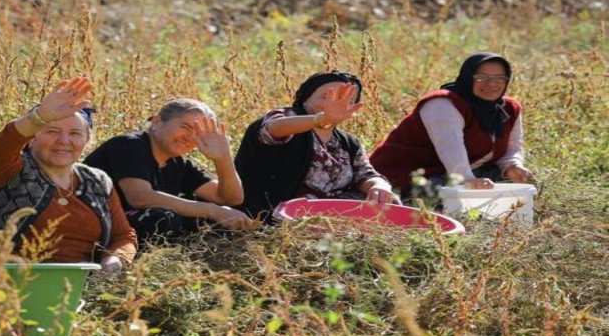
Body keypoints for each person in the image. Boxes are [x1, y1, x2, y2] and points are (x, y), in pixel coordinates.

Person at [0, 77, 136, 272]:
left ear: (87, 141)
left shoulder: (97, 181)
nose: (64, 140)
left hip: (79, 289)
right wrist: (40, 116)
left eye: (75, 133)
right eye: (52, 130)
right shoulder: (8, 170)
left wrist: (115, 260)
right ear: (31, 138)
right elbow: (7, 140)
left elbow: (123, 235)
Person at [83, 98, 257, 243]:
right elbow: (140, 198)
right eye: (185, 127)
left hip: (126, 229)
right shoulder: (129, 145)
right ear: (158, 122)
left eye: (196, 132)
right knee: (162, 217)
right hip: (92, 225)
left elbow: (231, 198)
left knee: (232, 214)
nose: (189, 137)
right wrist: (214, 210)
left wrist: (223, 157)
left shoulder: (177, 163)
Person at [235, 71, 397, 220]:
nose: (334, 104)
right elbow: (273, 129)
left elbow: (365, 174)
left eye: (348, 100)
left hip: (330, 215)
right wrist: (320, 119)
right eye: (327, 96)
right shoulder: (288, 119)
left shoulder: (348, 142)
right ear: (305, 98)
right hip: (280, 214)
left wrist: (379, 186)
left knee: (389, 202)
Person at [370, 53, 533, 199]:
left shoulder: (509, 108)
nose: (492, 84)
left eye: (499, 79)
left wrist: (513, 167)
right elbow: (451, 150)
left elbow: (512, 149)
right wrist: (469, 181)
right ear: (468, 77)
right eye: (481, 78)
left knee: (521, 185)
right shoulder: (443, 104)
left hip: (453, 172)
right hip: (407, 175)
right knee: (441, 196)